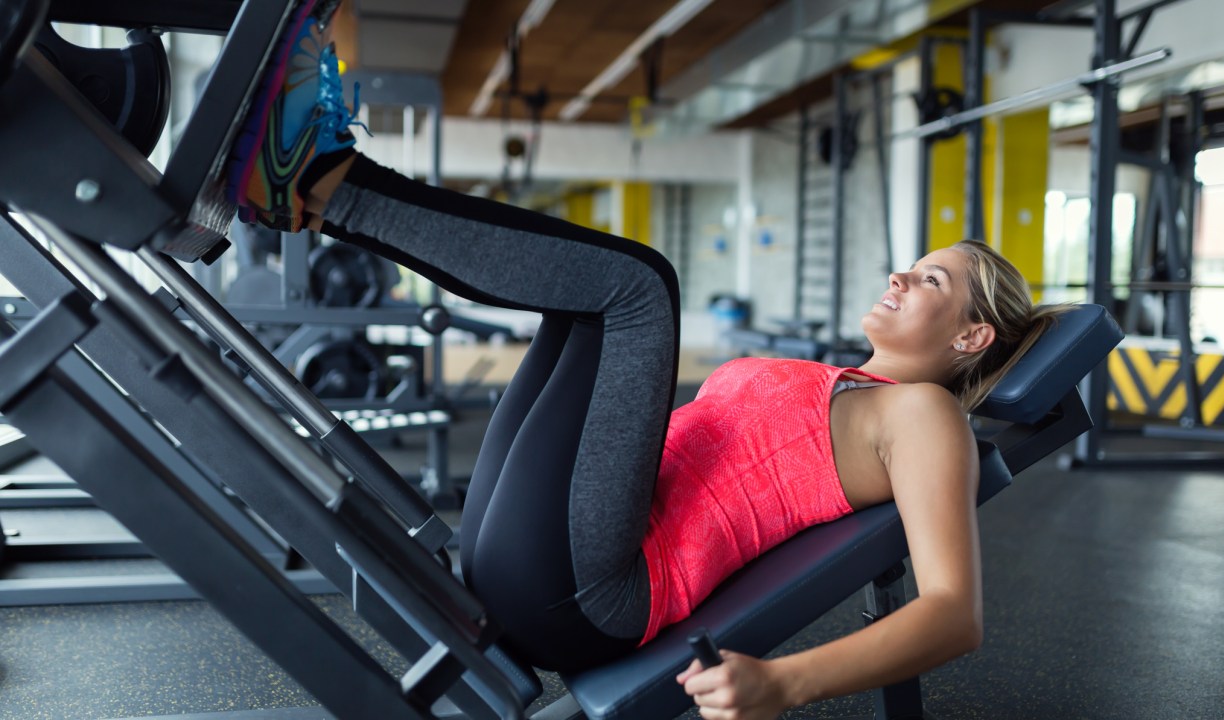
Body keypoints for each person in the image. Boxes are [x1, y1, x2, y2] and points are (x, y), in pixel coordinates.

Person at [226, 3, 1066, 717]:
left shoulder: (923, 416)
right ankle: (309, 186)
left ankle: (323, 183)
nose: (900, 274)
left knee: (638, 286)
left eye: (931, 280)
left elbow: (956, 614)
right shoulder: (849, 386)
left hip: (589, 590)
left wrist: (782, 681)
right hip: (535, 554)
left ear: (971, 337)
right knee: (591, 293)